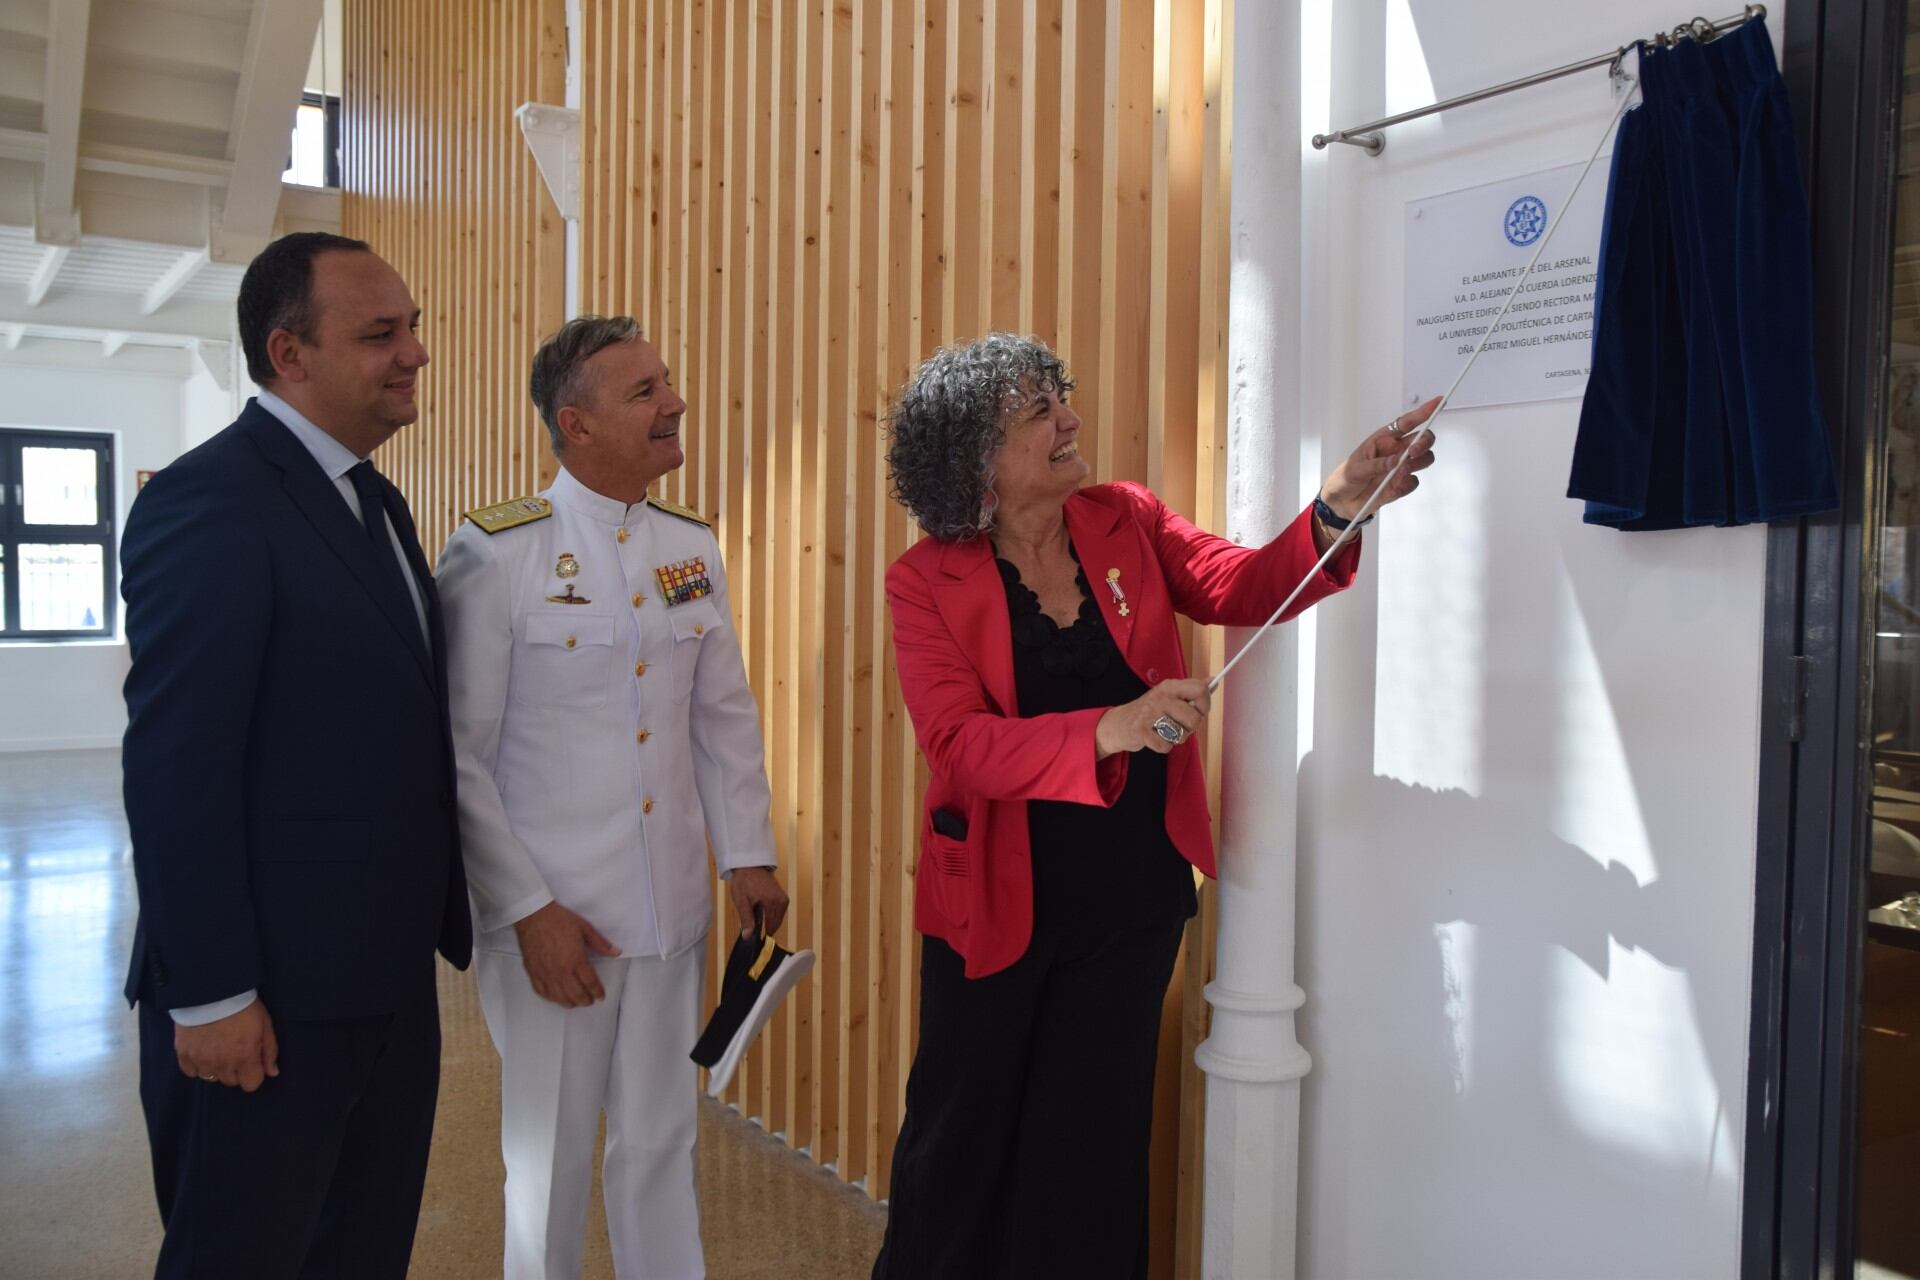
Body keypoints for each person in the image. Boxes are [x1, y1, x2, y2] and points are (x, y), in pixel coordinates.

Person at [870, 333, 1437, 1278]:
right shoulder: (923, 580)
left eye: (1065, 394)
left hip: (1130, 895)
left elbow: (1240, 584)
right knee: (960, 1142)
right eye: (1039, 411)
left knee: (1090, 1148)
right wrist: (1110, 728)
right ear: (977, 457)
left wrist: (1337, 507)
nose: (1070, 418)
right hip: (996, 907)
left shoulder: (1121, 517)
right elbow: (959, 747)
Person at [120, 231, 472, 1278]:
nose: (413, 352)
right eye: (380, 334)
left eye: (412, 326)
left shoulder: (377, 500)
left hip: (383, 984)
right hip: (264, 1004)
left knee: (360, 1253)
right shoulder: (211, 499)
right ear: (289, 353)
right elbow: (179, 767)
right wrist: (214, 993)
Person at [436, 315, 791, 1280]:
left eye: (666, 383)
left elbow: (720, 715)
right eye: (644, 393)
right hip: (555, 921)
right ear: (575, 424)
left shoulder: (688, 547)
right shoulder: (498, 552)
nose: (675, 402)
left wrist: (745, 853)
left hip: (669, 908)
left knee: (663, 1143)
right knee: (546, 1163)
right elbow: (456, 756)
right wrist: (523, 908)